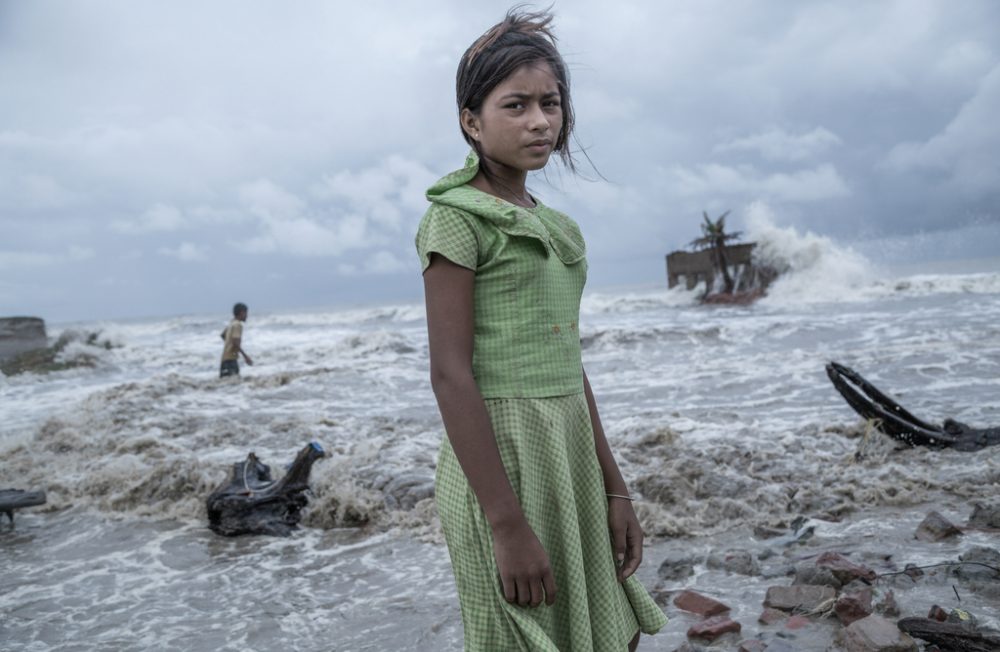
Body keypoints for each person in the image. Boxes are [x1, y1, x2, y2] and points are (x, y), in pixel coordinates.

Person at [415, 9, 666, 651]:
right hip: (503, 463)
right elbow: (450, 374)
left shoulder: (559, 230)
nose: (539, 121)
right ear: (472, 121)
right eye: (516, 105)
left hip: (570, 455)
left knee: (611, 628)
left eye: (550, 104)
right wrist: (505, 524)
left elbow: (569, 364)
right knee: (523, 635)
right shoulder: (457, 222)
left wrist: (616, 488)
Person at [219, 302, 253, 378]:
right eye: (246, 313)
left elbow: (223, 335)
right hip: (231, 360)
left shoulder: (232, 323)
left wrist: (229, 345)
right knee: (233, 382)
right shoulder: (238, 325)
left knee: (226, 385)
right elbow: (235, 342)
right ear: (241, 313)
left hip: (224, 359)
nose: (247, 316)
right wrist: (246, 357)